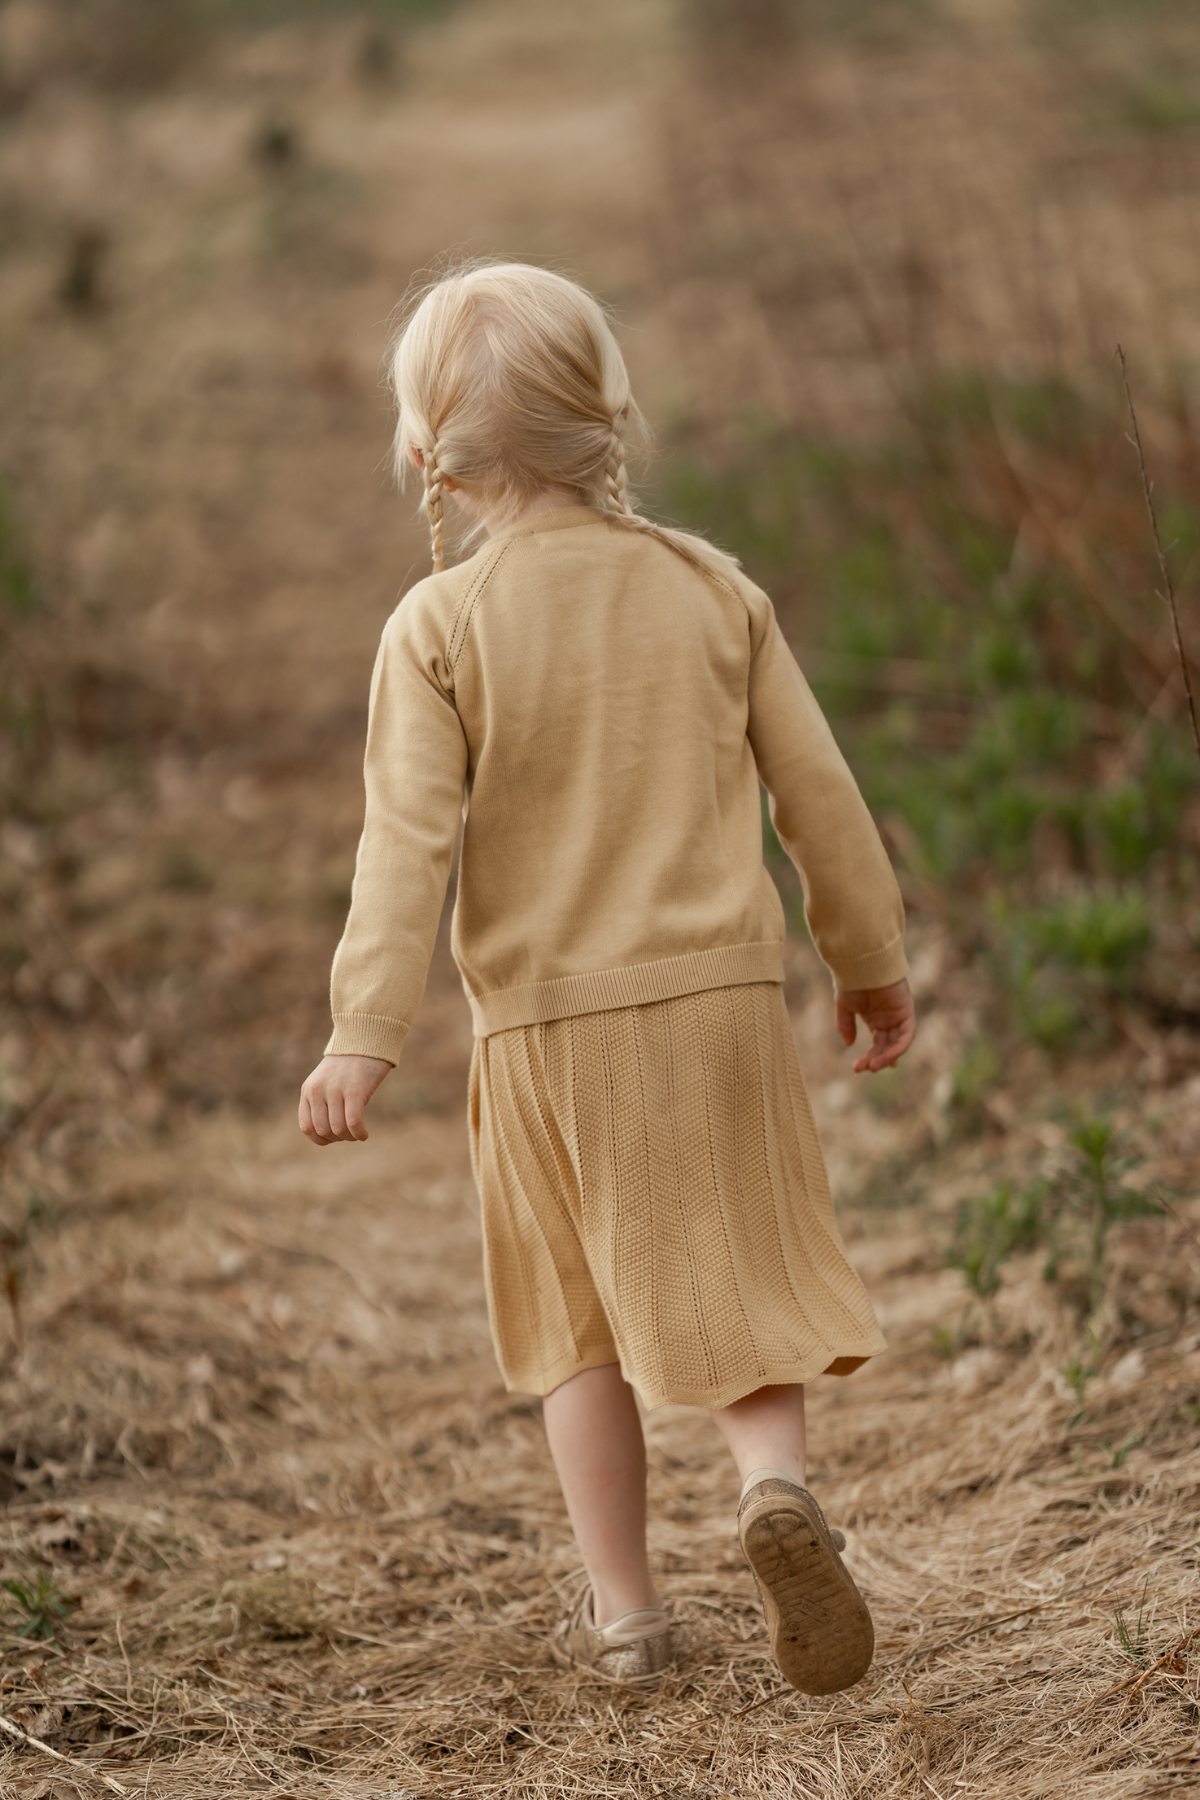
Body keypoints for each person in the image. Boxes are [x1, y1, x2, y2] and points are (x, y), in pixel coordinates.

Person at [298, 262, 916, 1694]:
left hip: (542, 1038)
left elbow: (404, 853)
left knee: (573, 1326)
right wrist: (868, 964)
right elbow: (818, 799)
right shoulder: (712, 590)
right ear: (613, 418)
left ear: (423, 455)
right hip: (715, 1010)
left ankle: (628, 1612)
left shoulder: (439, 629)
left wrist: (362, 1035)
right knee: (734, 1276)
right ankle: (772, 1485)